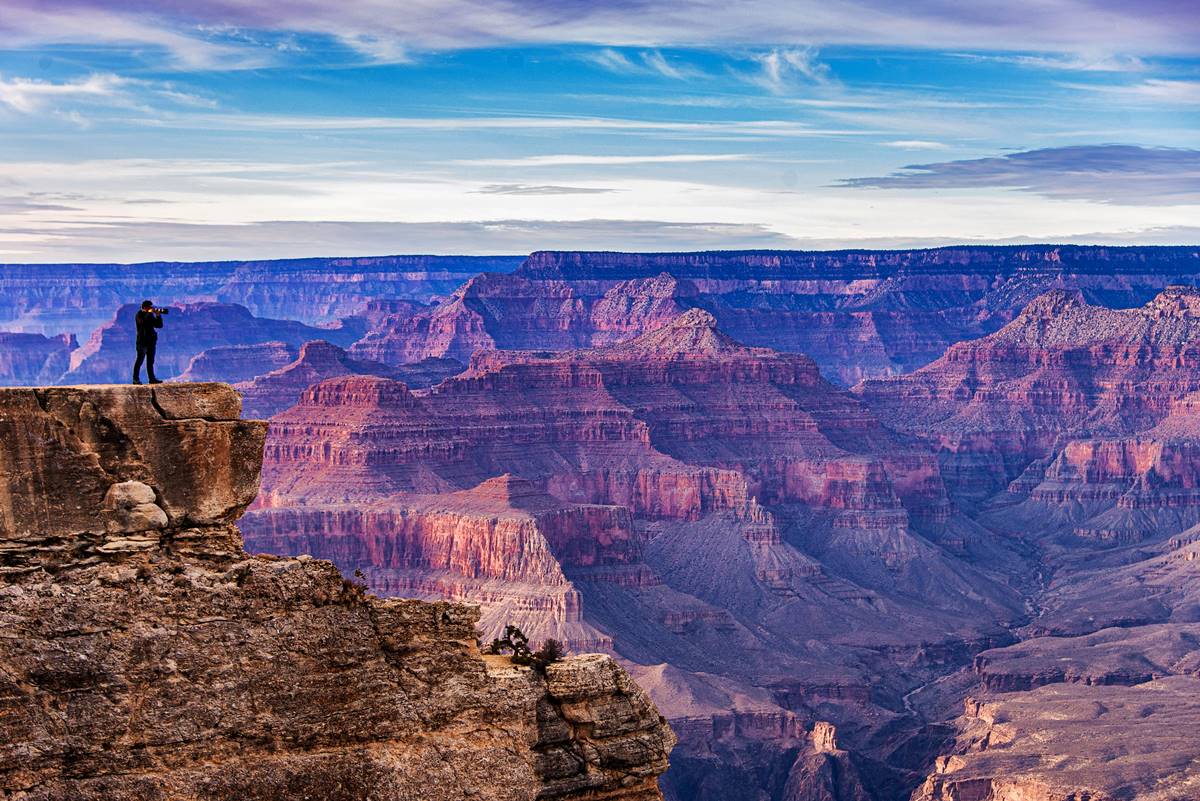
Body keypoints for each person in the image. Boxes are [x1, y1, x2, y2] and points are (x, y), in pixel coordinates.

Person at [132, 300, 164, 385]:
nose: (151, 308)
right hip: (142, 342)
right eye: (149, 307)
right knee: (140, 360)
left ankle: (152, 378)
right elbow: (142, 322)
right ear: (145, 307)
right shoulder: (139, 314)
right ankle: (135, 379)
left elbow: (159, 325)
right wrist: (149, 313)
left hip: (151, 342)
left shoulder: (150, 316)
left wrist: (158, 316)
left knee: (150, 361)